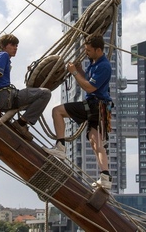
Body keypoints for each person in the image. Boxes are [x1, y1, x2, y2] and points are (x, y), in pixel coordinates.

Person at [43, 34, 113, 190]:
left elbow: (89, 87)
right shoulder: (94, 62)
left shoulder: (104, 66)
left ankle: (60, 147)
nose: (86, 52)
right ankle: (105, 177)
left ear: (98, 49)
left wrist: (74, 73)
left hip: (95, 105)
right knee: (96, 143)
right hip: (100, 108)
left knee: (57, 112)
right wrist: (80, 70)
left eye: (89, 50)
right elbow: (87, 80)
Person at [0, 34, 51, 140]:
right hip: (5, 97)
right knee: (45, 93)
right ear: (4, 46)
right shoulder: (3, 56)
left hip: (3, 98)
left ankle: (22, 122)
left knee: (35, 99)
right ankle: (21, 123)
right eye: (13, 45)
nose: (16, 48)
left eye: (17, 45)